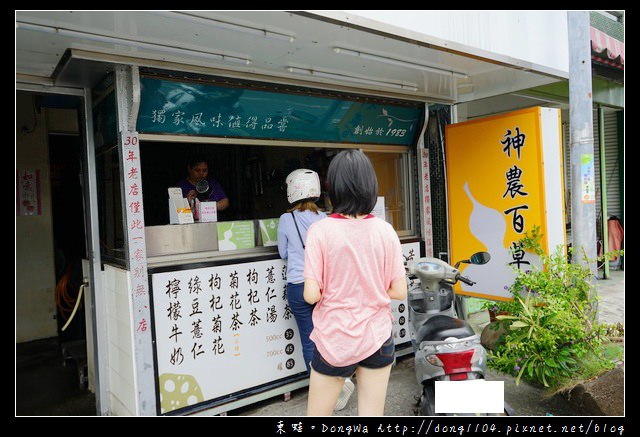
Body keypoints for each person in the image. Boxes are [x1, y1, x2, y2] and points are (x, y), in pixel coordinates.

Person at [303, 150, 407, 416]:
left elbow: (311, 294)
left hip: (334, 340)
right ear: (369, 186)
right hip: (377, 336)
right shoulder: (385, 231)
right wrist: (369, 287)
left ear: (333, 187)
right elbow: (399, 291)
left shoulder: (320, 231)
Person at [277, 169, 354, 411]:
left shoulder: (285, 219)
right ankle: (340, 379)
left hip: (299, 287)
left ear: (291, 191)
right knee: (330, 336)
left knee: (309, 340)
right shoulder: (326, 219)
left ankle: (324, 393)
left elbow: (283, 253)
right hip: (324, 286)